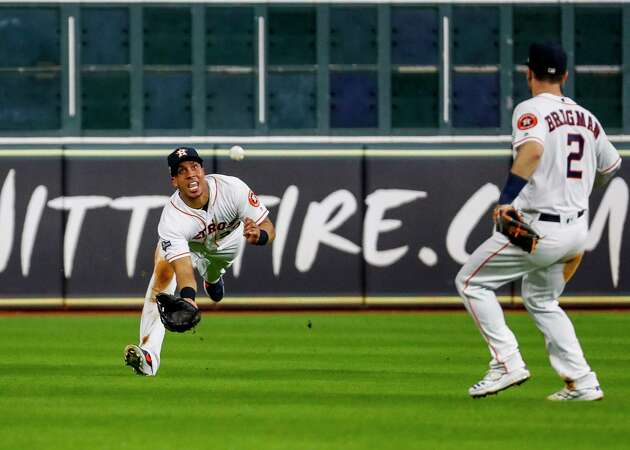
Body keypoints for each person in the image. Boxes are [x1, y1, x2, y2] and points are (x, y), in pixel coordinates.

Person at [455, 42, 622, 401]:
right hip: (576, 230)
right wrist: (575, 192)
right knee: (542, 300)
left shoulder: (530, 109)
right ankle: (582, 381)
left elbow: (531, 151)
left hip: (538, 230)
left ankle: (506, 362)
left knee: (470, 281)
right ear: (564, 76)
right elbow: (611, 167)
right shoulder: (588, 117)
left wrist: (505, 200)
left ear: (529, 73)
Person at [124, 147, 275, 376]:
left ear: (203, 170)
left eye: (194, 167)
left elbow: (269, 228)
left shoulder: (232, 189)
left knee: (213, 273)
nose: (190, 174)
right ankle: (148, 357)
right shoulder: (172, 219)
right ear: (174, 181)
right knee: (163, 274)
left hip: (227, 246)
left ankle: (213, 277)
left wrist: (260, 236)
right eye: (182, 171)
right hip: (190, 248)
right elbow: (183, 269)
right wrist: (188, 298)